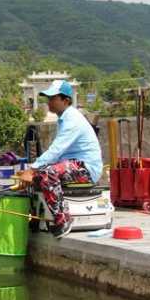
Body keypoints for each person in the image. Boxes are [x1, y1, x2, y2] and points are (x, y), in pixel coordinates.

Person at [18, 80, 102, 238]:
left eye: (53, 98)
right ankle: (36, 217)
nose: (49, 102)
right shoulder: (63, 119)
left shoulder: (73, 119)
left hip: (86, 168)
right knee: (35, 175)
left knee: (46, 174)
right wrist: (32, 171)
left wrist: (32, 168)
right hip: (70, 165)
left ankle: (63, 219)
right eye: (48, 99)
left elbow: (56, 149)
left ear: (66, 100)